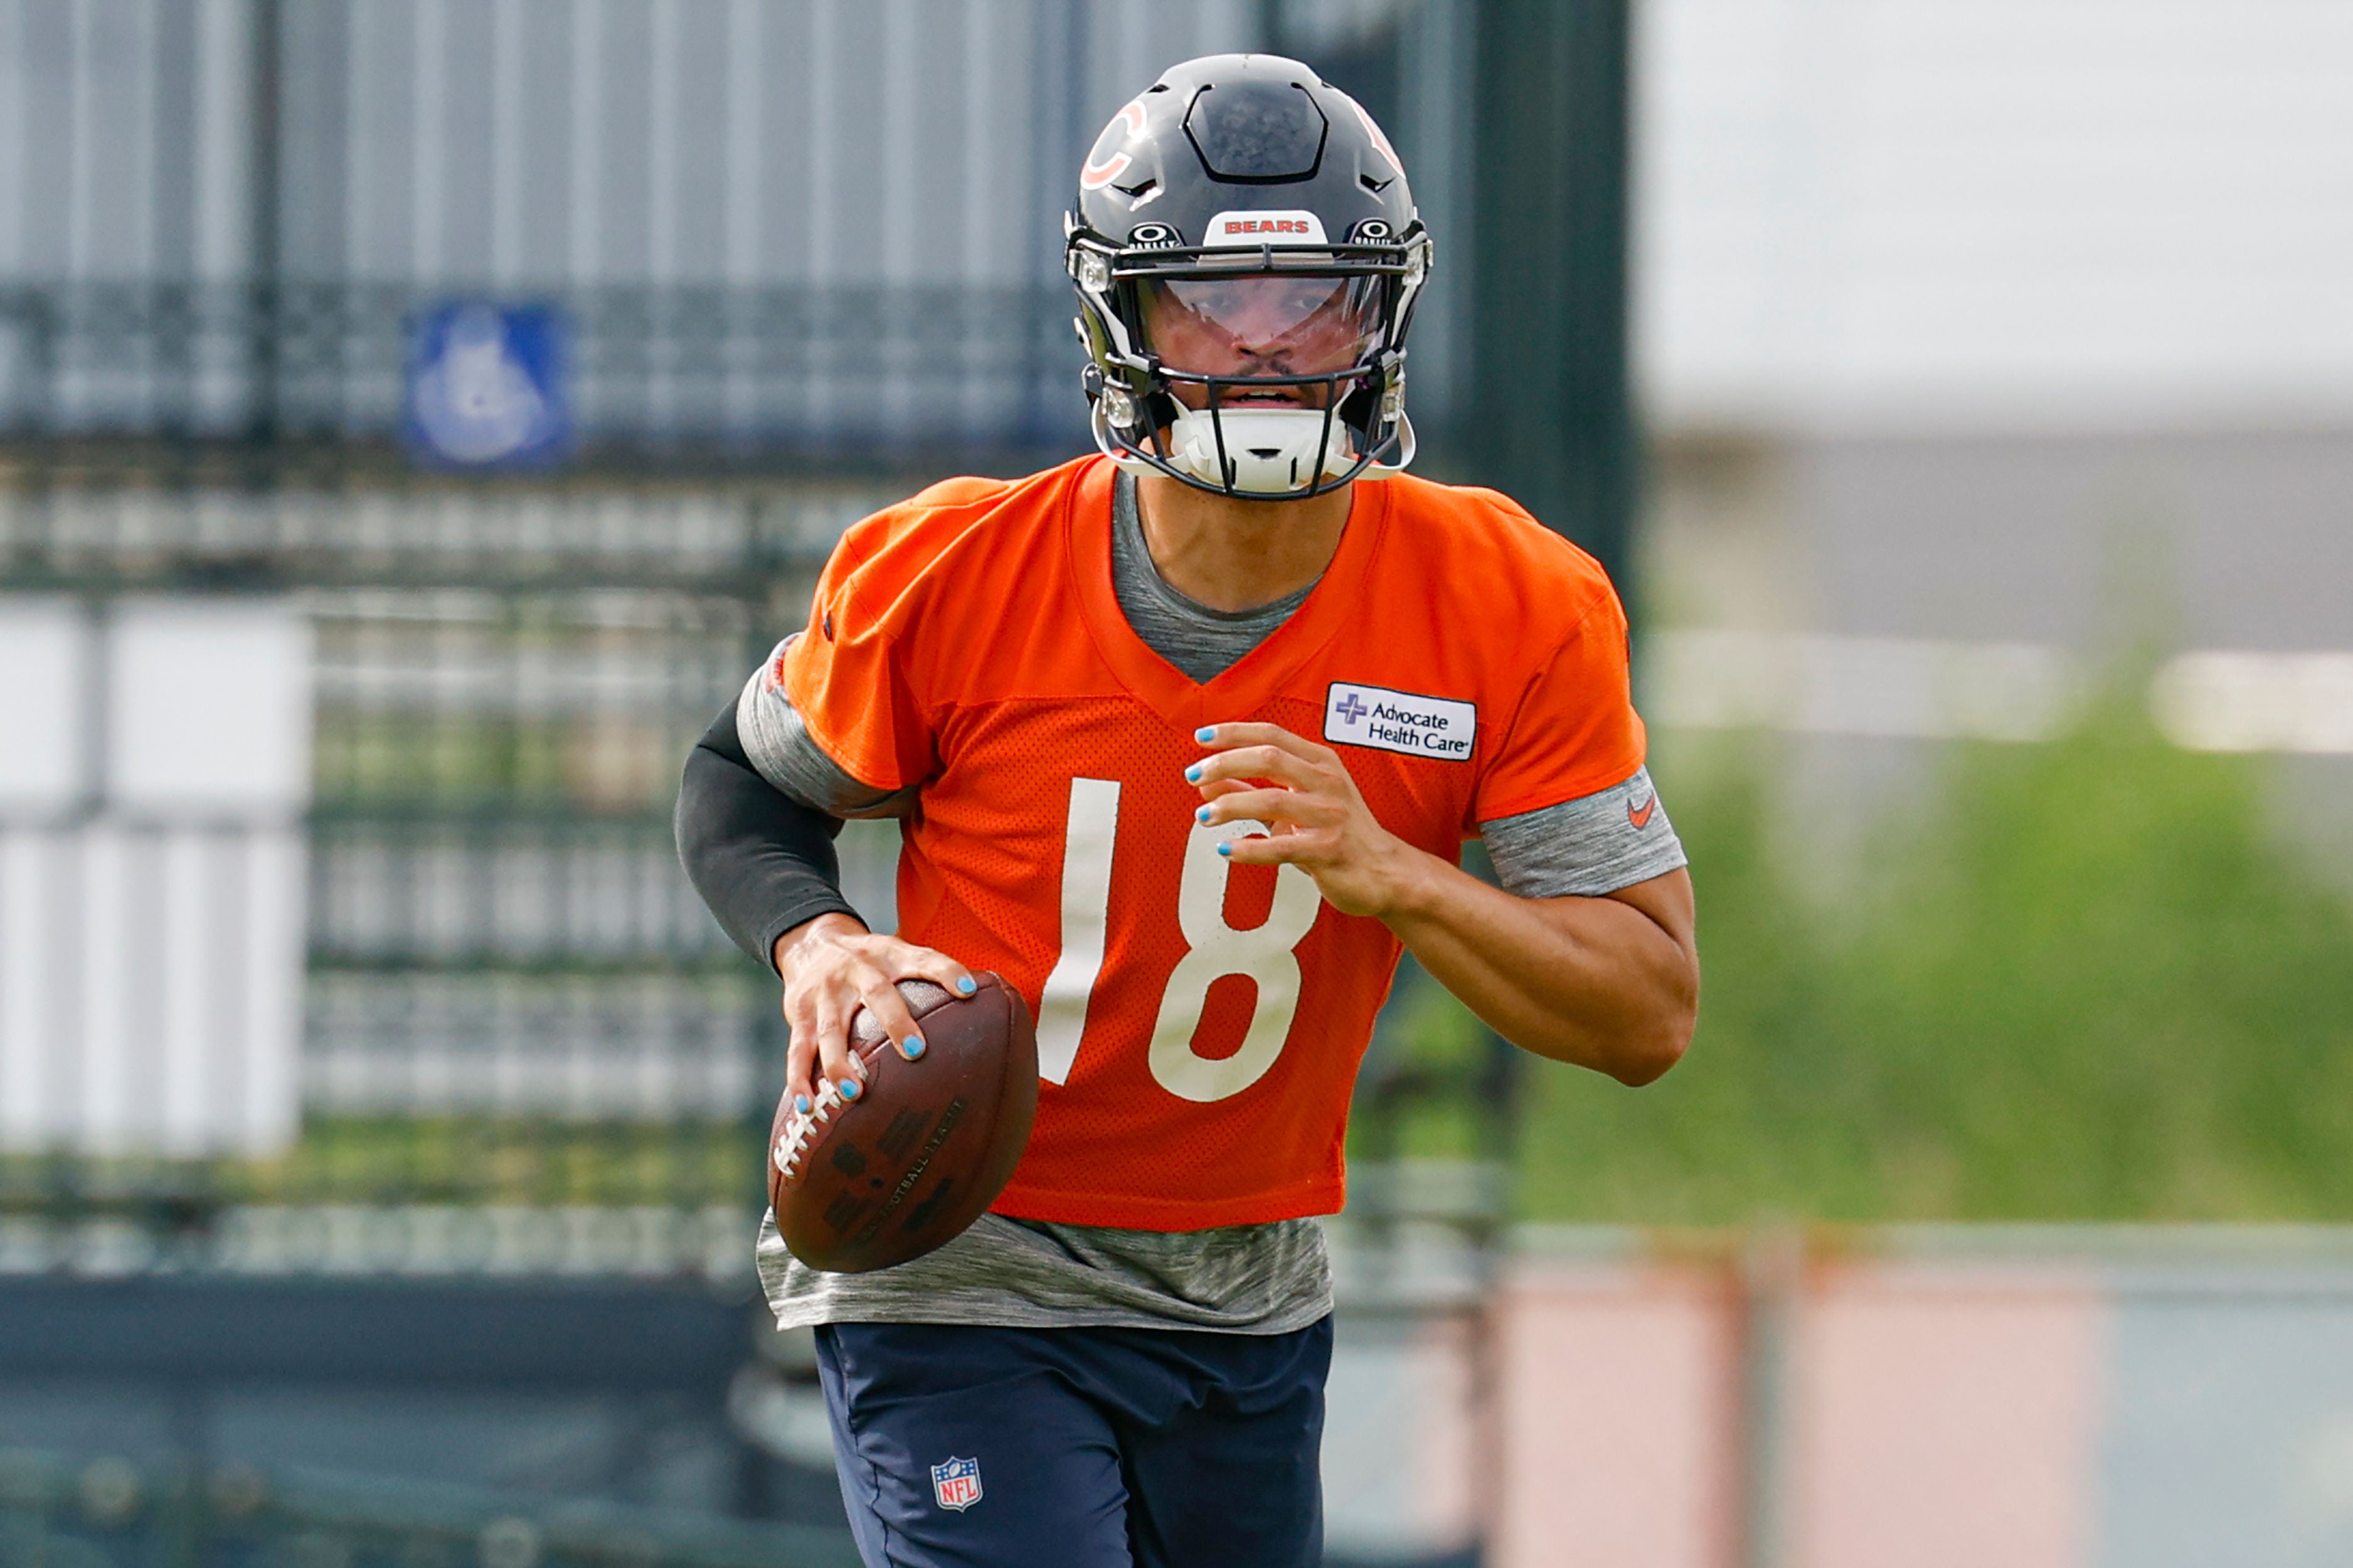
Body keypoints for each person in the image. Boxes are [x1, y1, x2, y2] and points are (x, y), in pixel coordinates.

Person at [677, 53, 1697, 1568]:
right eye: (1210, 307)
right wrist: (817, 945)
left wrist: (1400, 875)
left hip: (1247, 1289)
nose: (1265, 352)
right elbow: (737, 783)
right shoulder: (957, 569)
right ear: (1120, 322)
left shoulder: (1511, 601)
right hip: (963, 1255)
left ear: (1385, 318)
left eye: (1316, 305)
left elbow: (1647, 1009)